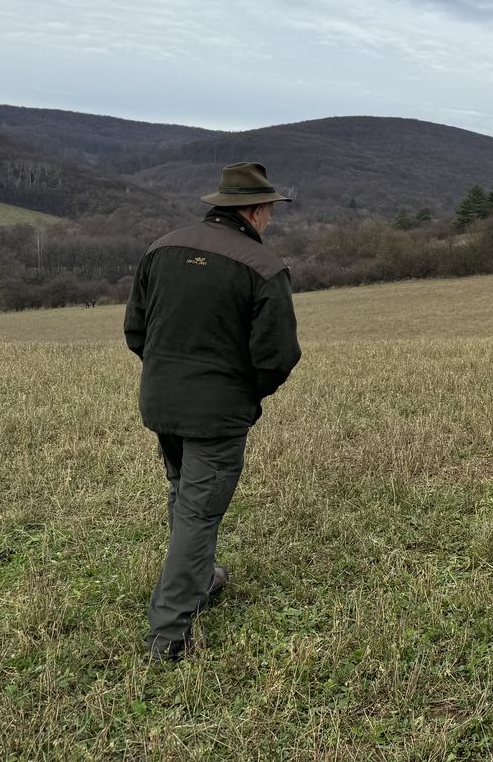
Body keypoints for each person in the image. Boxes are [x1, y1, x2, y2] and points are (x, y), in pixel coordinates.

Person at [124, 161, 302, 662]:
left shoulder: (161, 249)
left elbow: (136, 331)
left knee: (185, 494)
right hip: (217, 413)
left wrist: (168, 376)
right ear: (257, 210)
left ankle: (200, 578)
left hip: (161, 400)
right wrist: (245, 395)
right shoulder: (263, 267)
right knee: (199, 512)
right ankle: (168, 633)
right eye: (270, 210)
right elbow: (277, 356)